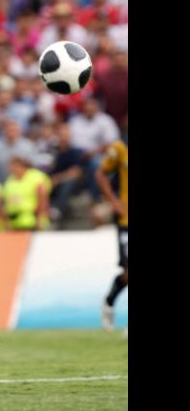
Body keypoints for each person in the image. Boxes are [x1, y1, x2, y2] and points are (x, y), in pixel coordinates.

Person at [96, 130, 128, 332]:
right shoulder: (120, 148)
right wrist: (114, 202)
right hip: (126, 218)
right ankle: (109, 301)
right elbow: (100, 174)